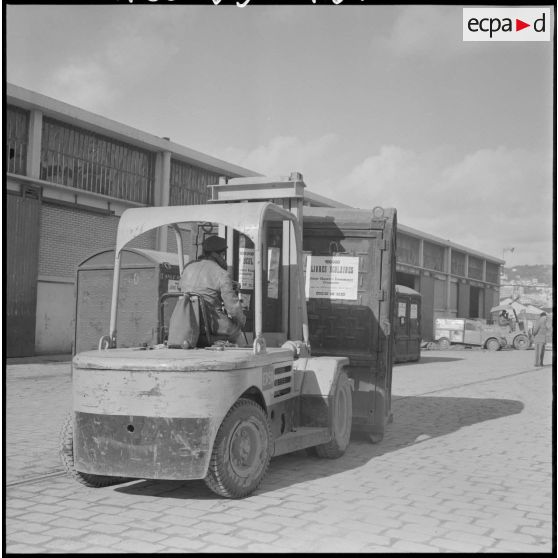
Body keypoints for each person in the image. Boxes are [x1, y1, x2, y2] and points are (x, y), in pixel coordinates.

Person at [178, 235, 246, 343]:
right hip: (210, 323)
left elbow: (191, 287)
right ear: (216, 254)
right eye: (223, 255)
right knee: (237, 333)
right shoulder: (222, 274)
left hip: (186, 320)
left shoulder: (187, 268)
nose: (223, 258)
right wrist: (241, 321)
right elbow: (232, 309)